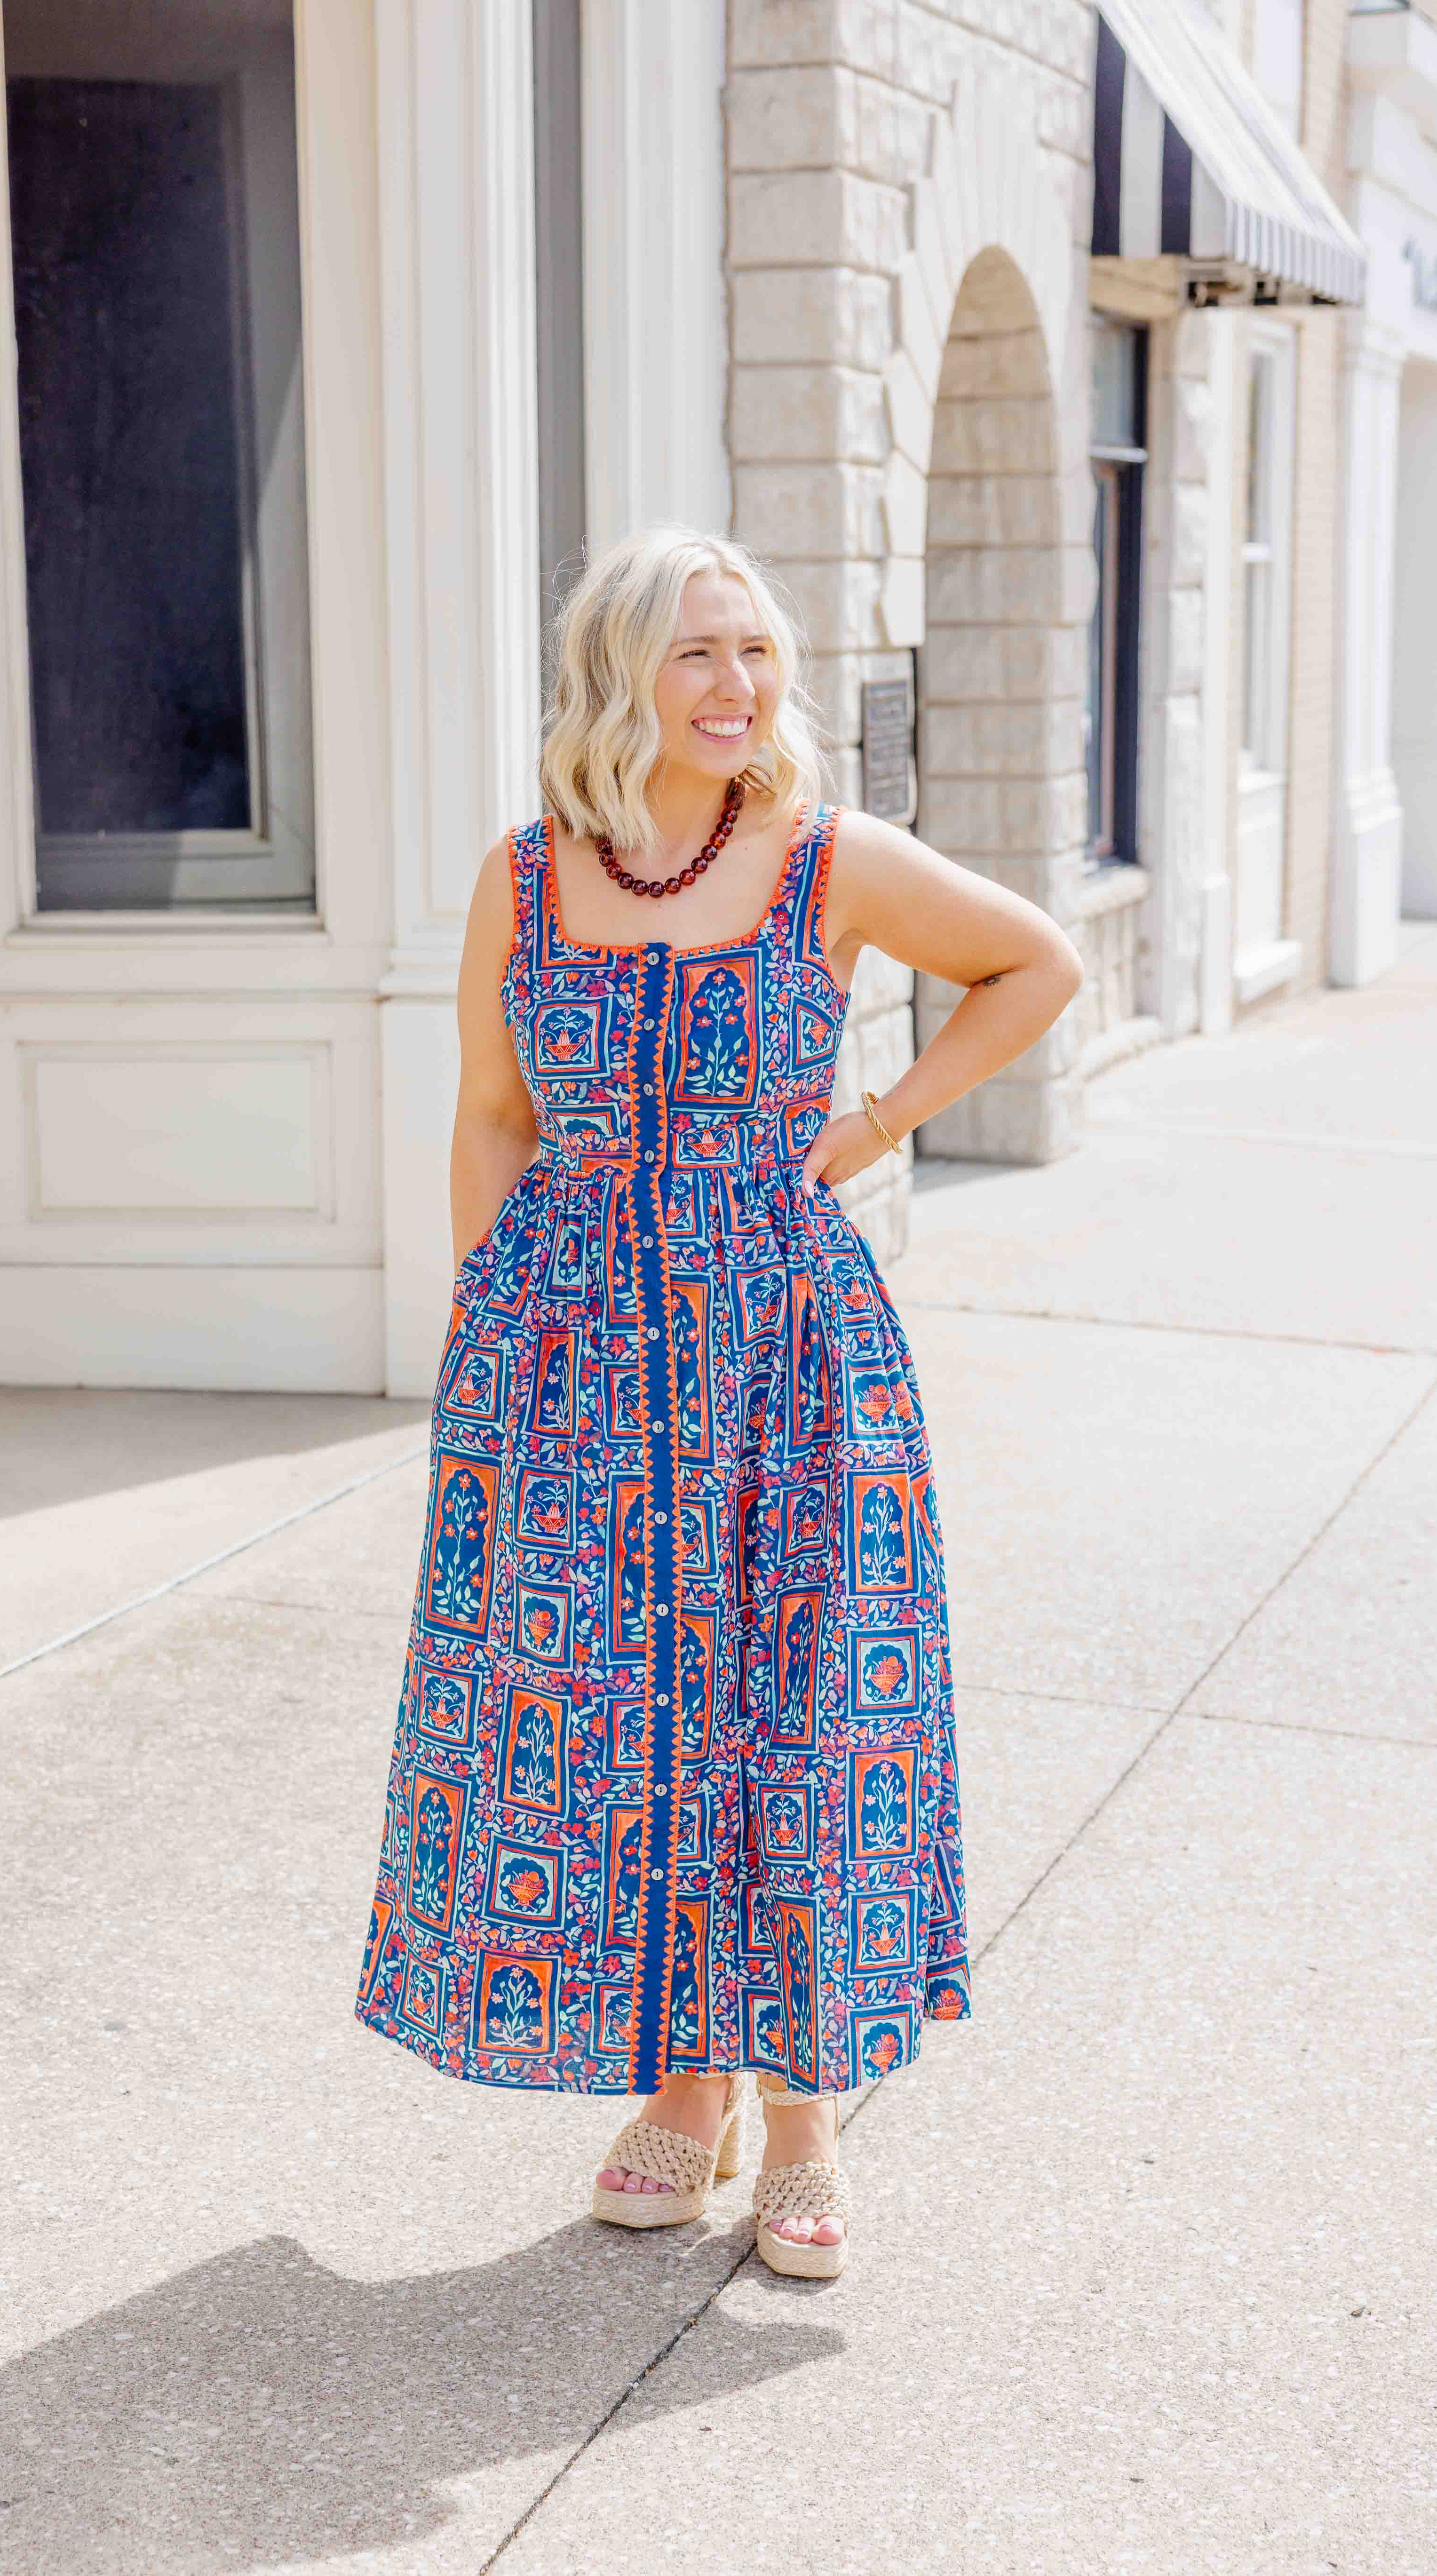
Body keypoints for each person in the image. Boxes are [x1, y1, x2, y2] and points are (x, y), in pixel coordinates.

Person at [355, 526, 1083, 2280]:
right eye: (696, 653)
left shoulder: (826, 858)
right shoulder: (524, 877)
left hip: (784, 1356)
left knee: (794, 1715)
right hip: (573, 1363)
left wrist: (876, 1122)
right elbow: (488, 1111)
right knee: (622, 1729)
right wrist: (490, 1327)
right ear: (617, 672)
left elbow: (1034, 962)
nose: (736, 687)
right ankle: (688, 2095)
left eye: (755, 652)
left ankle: (806, 2112)